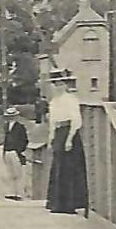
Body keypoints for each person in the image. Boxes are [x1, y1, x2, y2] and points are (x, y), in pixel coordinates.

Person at [45, 72, 88, 215]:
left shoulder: (71, 99)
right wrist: (51, 138)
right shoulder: (53, 101)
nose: (58, 87)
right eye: (56, 84)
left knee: (69, 168)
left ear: (66, 85)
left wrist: (70, 139)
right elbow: (52, 122)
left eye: (61, 84)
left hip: (69, 132)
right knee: (58, 168)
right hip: (58, 133)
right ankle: (57, 203)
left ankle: (70, 204)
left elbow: (76, 120)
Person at [0, 106, 30, 201]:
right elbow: (6, 140)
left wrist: (20, 150)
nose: (10, 118)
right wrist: (4, 151)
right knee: (10, 173)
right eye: (9, 116)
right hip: (8, 151)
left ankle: (19, 193)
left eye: (12, 116)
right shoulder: (6, 126)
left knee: (18, 173)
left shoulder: (20, 127)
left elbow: (24, 140)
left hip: (15, 151)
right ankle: (11, 192)